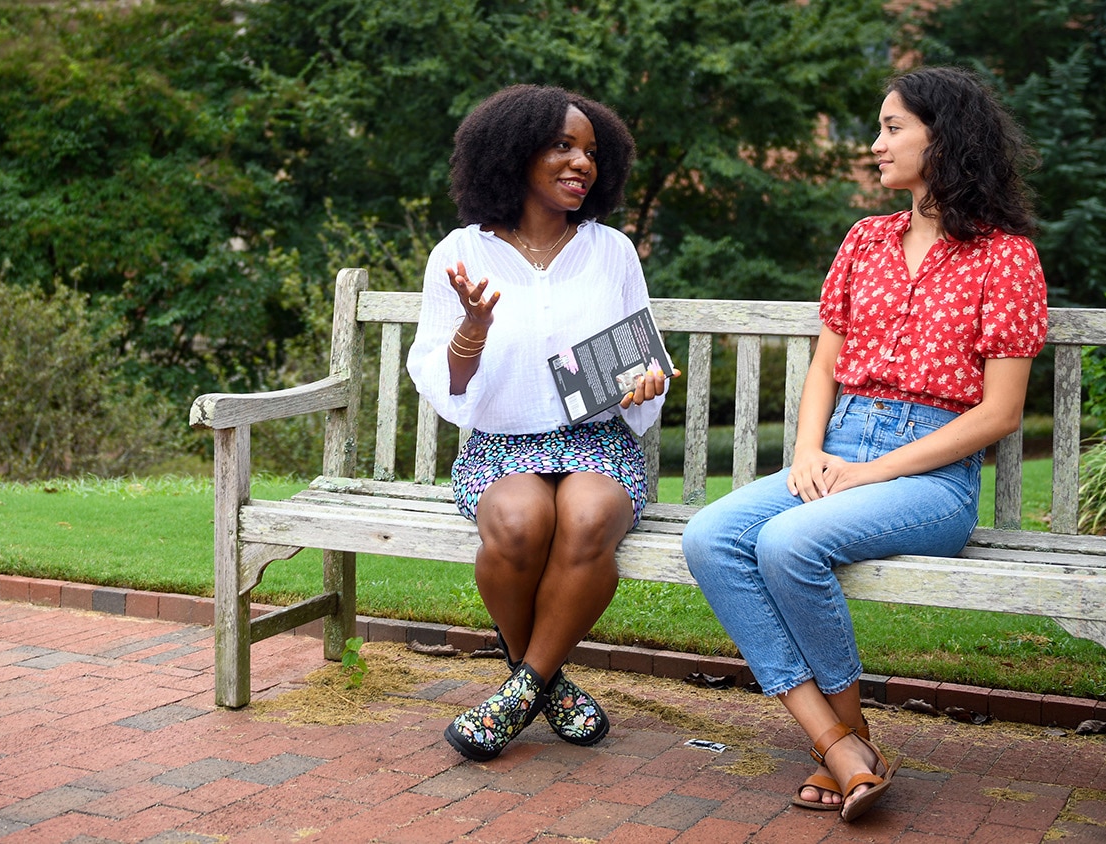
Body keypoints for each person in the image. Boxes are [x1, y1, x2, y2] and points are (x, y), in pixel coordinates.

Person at [681, 65, 1048, 822]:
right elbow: (826, 363)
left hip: (931, 474)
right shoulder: (866, 240)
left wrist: (870, 472)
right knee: (711, 534)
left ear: (942, 138)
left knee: (787, 545)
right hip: (839, 445)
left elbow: (1001, 412)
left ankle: (842, 740)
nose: (873, 145)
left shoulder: (1005, 257)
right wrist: (810, 452)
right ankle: (843, 743)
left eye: (891, 128)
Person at [406, 84, 675, 762]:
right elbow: (447, 380)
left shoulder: (611, 250)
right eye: (562, 146)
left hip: (598, 441)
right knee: (520, 523)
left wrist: (647, 379)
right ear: (514, 153)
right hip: (501, 442)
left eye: (590, 151)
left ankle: (519, 689)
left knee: (587, 518)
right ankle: (550, 683)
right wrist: (472, 329)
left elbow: (647, 360)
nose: (581, 162)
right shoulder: (459, 253)